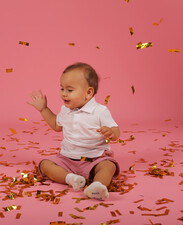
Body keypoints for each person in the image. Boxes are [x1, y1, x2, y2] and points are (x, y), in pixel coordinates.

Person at [27, 62, 120, 200]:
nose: (63, 94)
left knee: (108, 166)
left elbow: (116, 131)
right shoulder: (65, 110)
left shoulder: (100, 111)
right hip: (67, 159)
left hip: (94, 158)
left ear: (88, 93)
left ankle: (97, 186)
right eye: (62, 89)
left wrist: (111, 132)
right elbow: (56, 125)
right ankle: (70, 178)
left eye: (69, 90)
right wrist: (43, 109)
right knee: (45, 165)